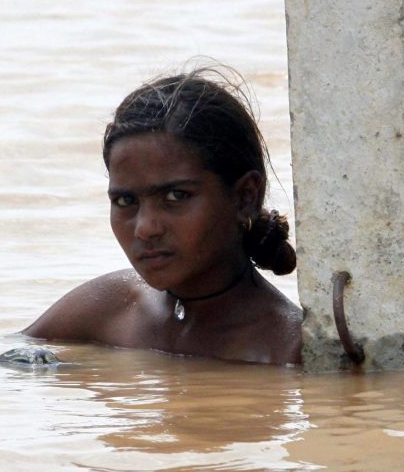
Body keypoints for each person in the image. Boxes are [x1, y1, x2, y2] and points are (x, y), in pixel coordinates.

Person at [23, 68, 303, 365]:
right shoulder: (109, 308)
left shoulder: (289, 351)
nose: (145, 229)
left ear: (245, 197)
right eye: (125, 200)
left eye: (176, 197)